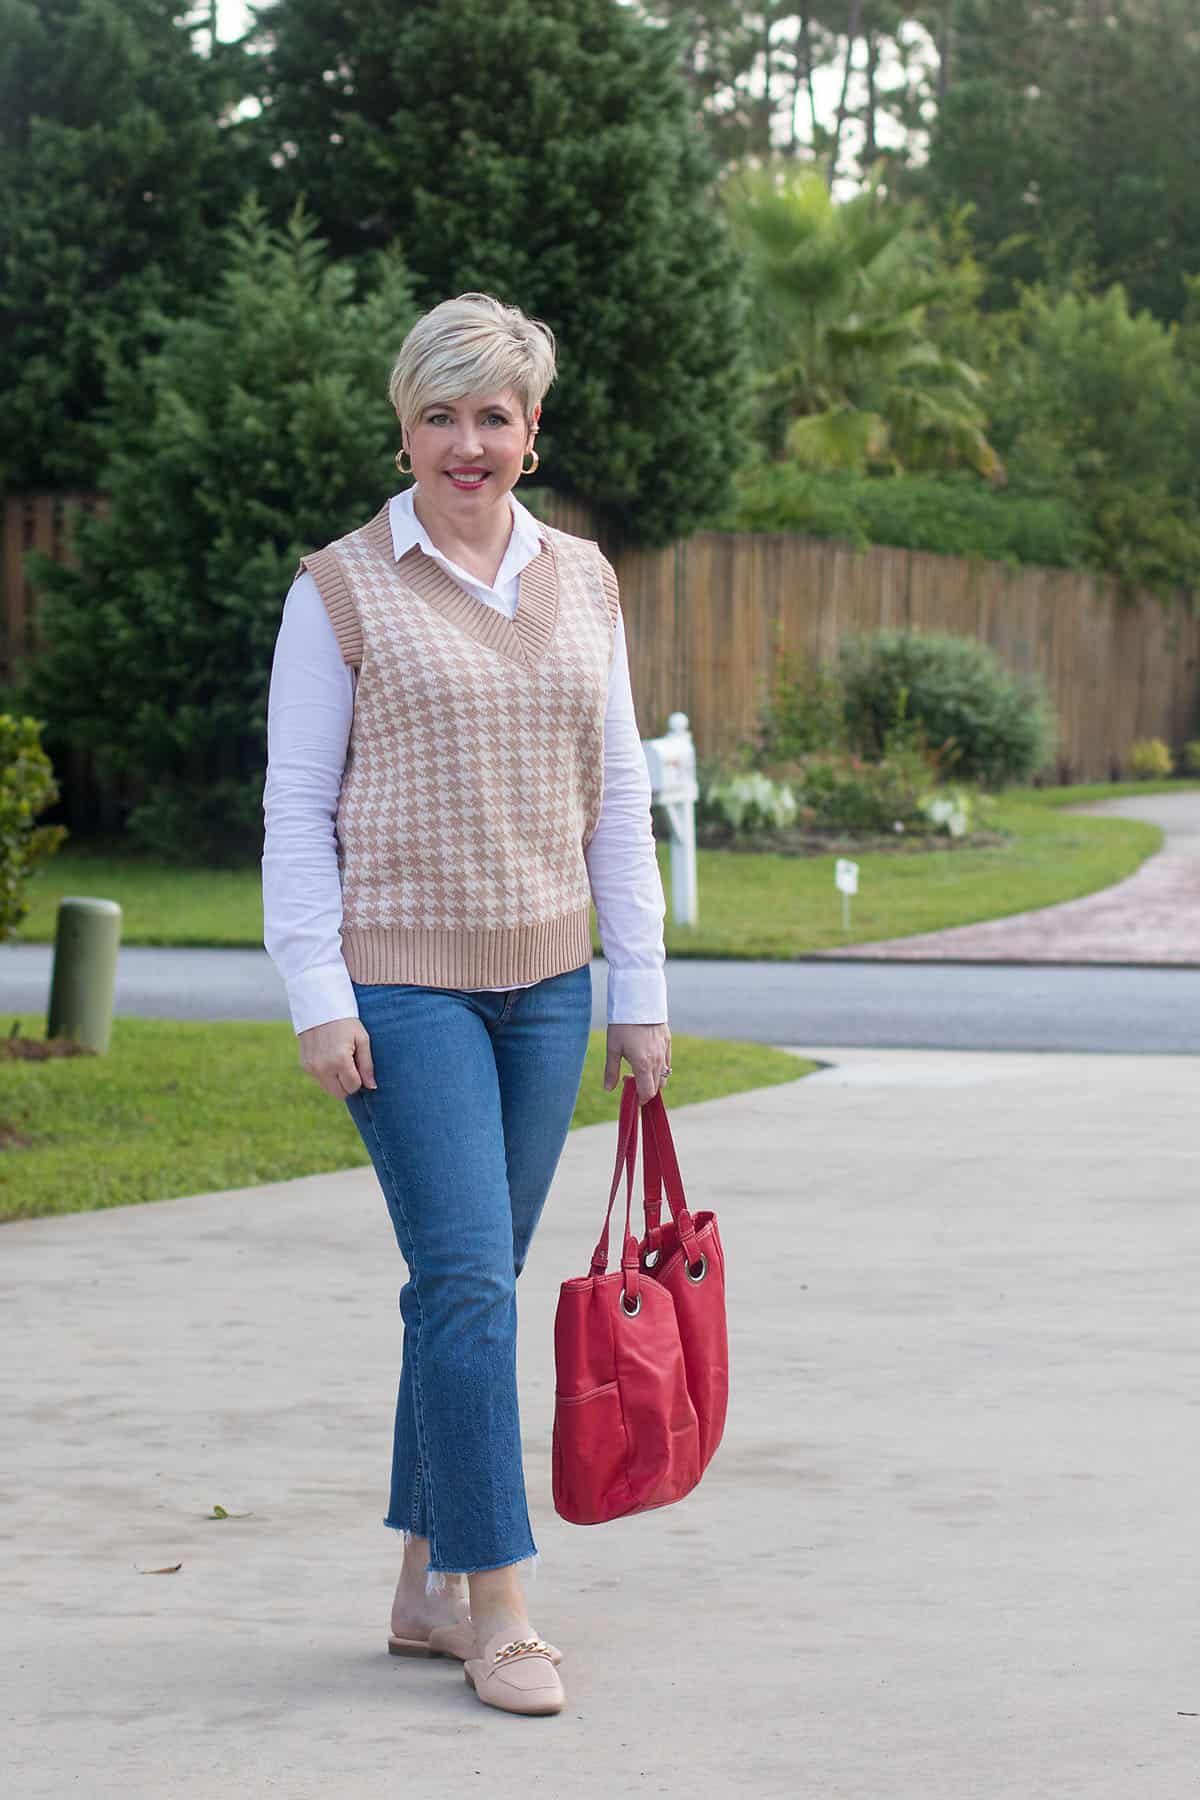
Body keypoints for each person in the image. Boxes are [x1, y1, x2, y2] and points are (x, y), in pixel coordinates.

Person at [261, 292, 670, 1717]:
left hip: (550, 986)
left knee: (464, 1288)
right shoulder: (341, 590)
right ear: (405, 425)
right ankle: (501, 1609)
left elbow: (619, 797)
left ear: (532, 431)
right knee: (467, 1286)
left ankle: (419, 1585)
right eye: (441, 414)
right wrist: (319, 995)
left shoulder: (588, 583)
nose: (468, 442)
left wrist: (642, 990)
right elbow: (295, 810)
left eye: (493, 415)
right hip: (403, 988)